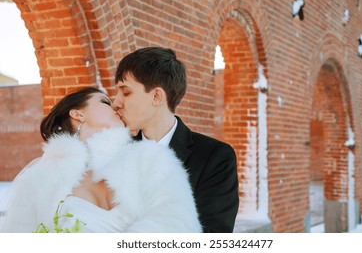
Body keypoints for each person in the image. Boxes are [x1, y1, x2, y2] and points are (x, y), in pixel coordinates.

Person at [1, 87, 201, 233]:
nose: (115, 105)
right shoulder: (40, 181)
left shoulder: (151, 159)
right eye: (105, 101)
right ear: (78, 113)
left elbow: (179, 225)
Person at [113, 47, 239, 233]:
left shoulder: (215, 157)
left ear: (156, 96)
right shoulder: (116, 152)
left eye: (125, 92)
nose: (116, 102)